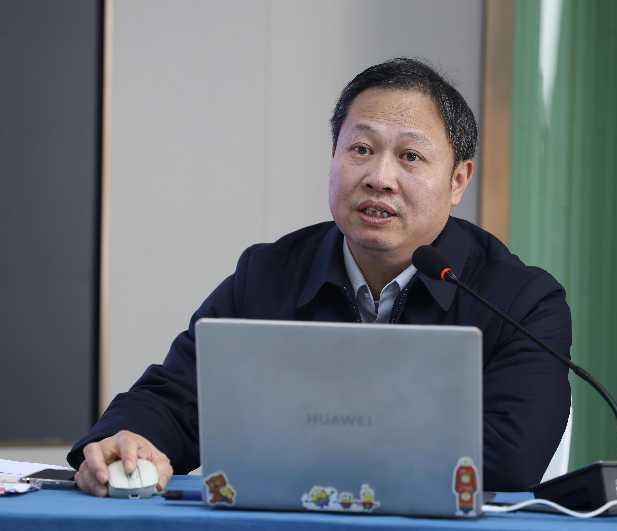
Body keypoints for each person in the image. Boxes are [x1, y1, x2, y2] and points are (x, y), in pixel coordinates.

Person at [68, 58, 571, 495]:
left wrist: (309, 445)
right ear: (334, 156)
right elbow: (179, 397)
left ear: (458, 180)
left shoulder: (521, 301)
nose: (379, 178)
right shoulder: (268, 274)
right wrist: (130, 440)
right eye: (361, 149)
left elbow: (511, 457)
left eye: (410, 156)